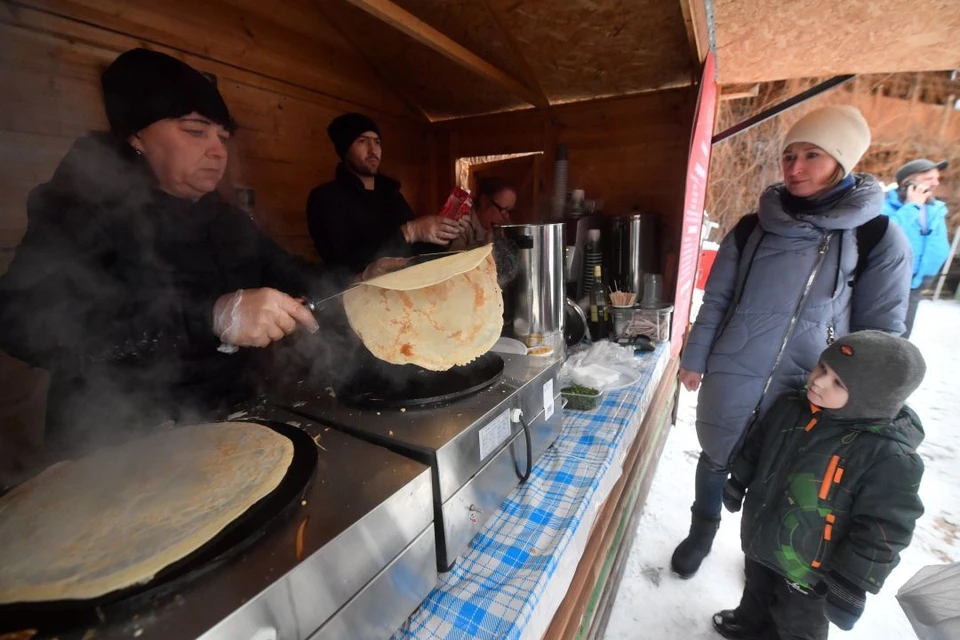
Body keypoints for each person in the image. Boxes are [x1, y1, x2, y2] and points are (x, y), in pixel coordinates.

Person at [0, 49, 392, 459]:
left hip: (225, 419)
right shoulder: (81, 204)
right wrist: (212, 316)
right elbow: (19, 321)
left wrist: (359, 281)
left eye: (222, 137)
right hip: (119, 440)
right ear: (137, 135)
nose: (218, 151)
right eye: (194, 131)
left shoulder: (222, 217)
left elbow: (287, 270)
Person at [672, 105, 913, 579]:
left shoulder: (877, 235)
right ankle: (702, 531)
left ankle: (759, 557)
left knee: (780, 474)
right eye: (788, 156)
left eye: (812, 156)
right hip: (734, 367)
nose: (795, 168)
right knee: (716, 454)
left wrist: (859, 402)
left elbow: (881, 338)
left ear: (842, 163)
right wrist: (694, 356)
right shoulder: (752, 227)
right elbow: (716, 300)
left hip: (810, 385)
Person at [715, 331, 926, 639]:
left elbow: (885, 530)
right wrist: (739, 480)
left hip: (811, 567)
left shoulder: (887, 456)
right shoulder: (791, 406)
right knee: (756, 587)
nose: (819, 381)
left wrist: (852, 581)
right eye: (822, 368)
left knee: (797, 623)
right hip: (762, 534)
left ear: (871, 398)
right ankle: (749, 621)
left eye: (838, 383)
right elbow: (759, 446)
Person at [306, 113, 459, 272]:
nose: (373, 150)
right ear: (345, 149)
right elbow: (342, 264)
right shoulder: (326, 198)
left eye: (377, 142)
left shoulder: (391, 195)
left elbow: (418, 252)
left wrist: (444, 234)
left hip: (405, 288)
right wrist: (409, 231)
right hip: (358, 294)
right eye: (362, 141)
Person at [882, 158, 951, 338]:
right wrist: (912, 206)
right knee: (880, 333)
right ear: (908, 182)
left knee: (903, 335)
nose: (936, 183)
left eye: (937, 178)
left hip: (917, 282)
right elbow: (884, 235)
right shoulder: (885, 205)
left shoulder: (936, 208)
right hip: (888, 281)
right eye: (929, 179)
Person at [450, 177, 516, 250]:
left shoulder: (505, 224)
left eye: (509, 211)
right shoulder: (462, 222)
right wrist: (484, 247)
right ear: (484, 202)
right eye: (503, 210)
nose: (506, 217)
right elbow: (456, 259)